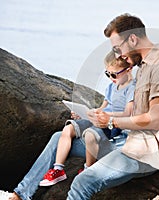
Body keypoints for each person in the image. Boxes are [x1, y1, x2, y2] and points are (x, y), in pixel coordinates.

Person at [3, 13, 159, 200]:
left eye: (118, 48)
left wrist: (112, 121)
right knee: (60, 138)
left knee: (83, 182)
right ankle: (20, 195)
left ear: (132, 39)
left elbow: (155, 120)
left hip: (150, 151)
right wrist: (98, 119)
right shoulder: (144, 66)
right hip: (130, 140)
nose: (118, 55)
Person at [39, 50, 136, 186]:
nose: (111, 78)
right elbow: (102, 107)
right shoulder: (111, 87)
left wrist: (107, 116)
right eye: (107, 74)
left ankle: (88, 169)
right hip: (101, 117)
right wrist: (88, 113)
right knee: (69, 129)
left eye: (114, 74)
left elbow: (127, 114)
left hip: (113, 123)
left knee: (90, 135)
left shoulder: (132, 88)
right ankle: (58, 170)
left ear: (129, 69)